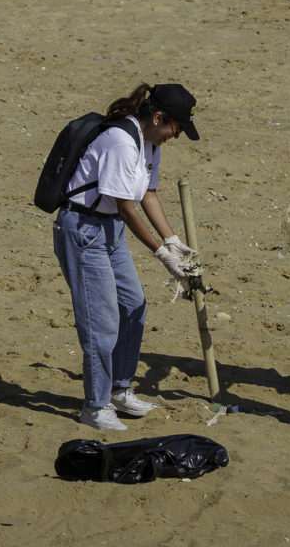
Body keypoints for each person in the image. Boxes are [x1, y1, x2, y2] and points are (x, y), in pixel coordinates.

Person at [53, 83, 202, 430]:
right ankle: (96, 405)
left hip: (111, 231)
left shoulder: (150, 143)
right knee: (101, 322)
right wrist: (162, 253)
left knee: (133, 304)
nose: (175, 137)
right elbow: (125, 206)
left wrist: (173, 238)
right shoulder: (121, 142)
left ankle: (119, 390)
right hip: (84, 231)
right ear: (158, 117)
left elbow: (147, 195)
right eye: (175, 130)